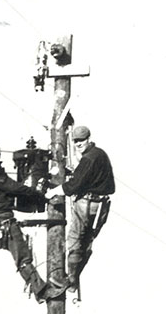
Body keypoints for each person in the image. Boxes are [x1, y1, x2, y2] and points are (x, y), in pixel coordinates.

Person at [0, 139, 67, 303]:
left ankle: (41, 290)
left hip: (2, 220)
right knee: (23, 258)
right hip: (2, 221)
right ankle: (41, 291)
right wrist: (36, 193)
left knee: (22, 256)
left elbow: (11, 191)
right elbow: (13, 188)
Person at [44, 125, 115, 292]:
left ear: (88, 139)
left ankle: (69, 280)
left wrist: (53, 191)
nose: (78, 144)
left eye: (81, 140)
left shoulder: (89, 159)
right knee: (87, 243)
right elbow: (86, 176)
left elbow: (74, 185)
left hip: (87, 204)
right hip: (101, 206)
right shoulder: (99, 154)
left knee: (75, 241)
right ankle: (74, 278)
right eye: (75, 141)